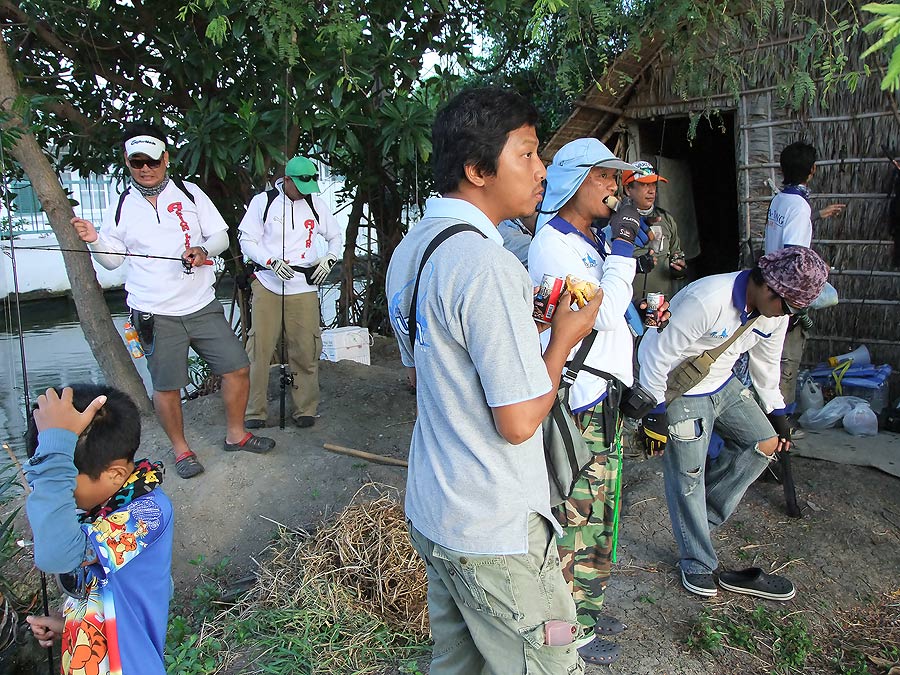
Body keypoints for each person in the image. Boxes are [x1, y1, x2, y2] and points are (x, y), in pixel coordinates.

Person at [386, 87, 602, 675]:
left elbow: (427, 373)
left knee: (459, 665)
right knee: (550, 664)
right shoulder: (487, 264)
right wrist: (562, 339)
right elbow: (519, 421)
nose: (541, 171)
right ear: (477, 170)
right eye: (528, 155)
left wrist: (516, 329)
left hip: (436, 505)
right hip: (492, 522)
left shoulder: (412, 250)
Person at [71, 122, 274, 479]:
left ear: (166, 159)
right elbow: (112, 260)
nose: (145, 169)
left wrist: (202, 249)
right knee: (167, 385)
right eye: (137, 162)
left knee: (237, 367)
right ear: (127, 162)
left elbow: (221, 236)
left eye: (151, 160)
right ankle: (182, 451)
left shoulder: (190, 192)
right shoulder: (121, 205)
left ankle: (236, 433)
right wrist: (93, 240)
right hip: (153, 312)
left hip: (201, 303)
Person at [637, 247, 829, 600]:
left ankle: (698, 522)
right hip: (680, 389)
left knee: (763, 444)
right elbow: (655, 351)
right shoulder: (707, 299)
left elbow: (766, 364)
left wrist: (777, 411)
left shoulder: (776, 312)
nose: (786, 315)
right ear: (769, 288)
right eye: (787, 307)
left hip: (724, 384)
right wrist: (655, 410)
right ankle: (696, 559)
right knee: (688, 476)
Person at [528, 137, 643, 666]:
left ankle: (589, 611)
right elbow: (603, 311)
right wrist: (623, 254)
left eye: (616, 179)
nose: (614, 189)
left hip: (603, 395)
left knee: (603, 512)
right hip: (579, 401)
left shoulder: (586, 240)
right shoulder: (553, 246)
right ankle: (571, 631)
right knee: (578, 516)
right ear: (574, 180)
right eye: (603, 177)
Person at [24, 385, 172, 675]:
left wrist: (56, 451)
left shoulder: (147, 513)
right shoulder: (103, 507)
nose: (61, 492)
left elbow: (57, 555)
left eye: (66, 481)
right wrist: (71, 625)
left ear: (114, 474)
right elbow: (105, 592)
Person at [238, 156, 343, 428]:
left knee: (305, 346)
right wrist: (270, 261)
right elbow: (246, 239)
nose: (304, 193)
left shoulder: (314, 204)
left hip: (303, 284)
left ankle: (305, 407)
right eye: (299, 186)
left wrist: (329, 258)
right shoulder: (264, 202)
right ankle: (254, 411)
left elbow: (335, 236)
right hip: (269, 281)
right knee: (259, 346)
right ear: (287, 180)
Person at [764, 142, 844, 421]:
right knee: (786, 361)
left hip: (771, 287)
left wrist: (817, 215)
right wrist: (819, 270)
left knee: (771, 359)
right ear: (812, 171)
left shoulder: (780, 200)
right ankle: (780, 426)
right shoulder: (798, 205)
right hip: (787, 295)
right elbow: (795, 259)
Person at [622, 160, 687, 301]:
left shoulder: (666, 219)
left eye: (653, 184)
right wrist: (636, 266)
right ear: (628, 189)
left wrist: (679, 270)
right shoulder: (615, 222)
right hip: (625, 308)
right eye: (644, 184)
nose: (651, 190)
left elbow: (676, 254)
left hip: (660, 308)